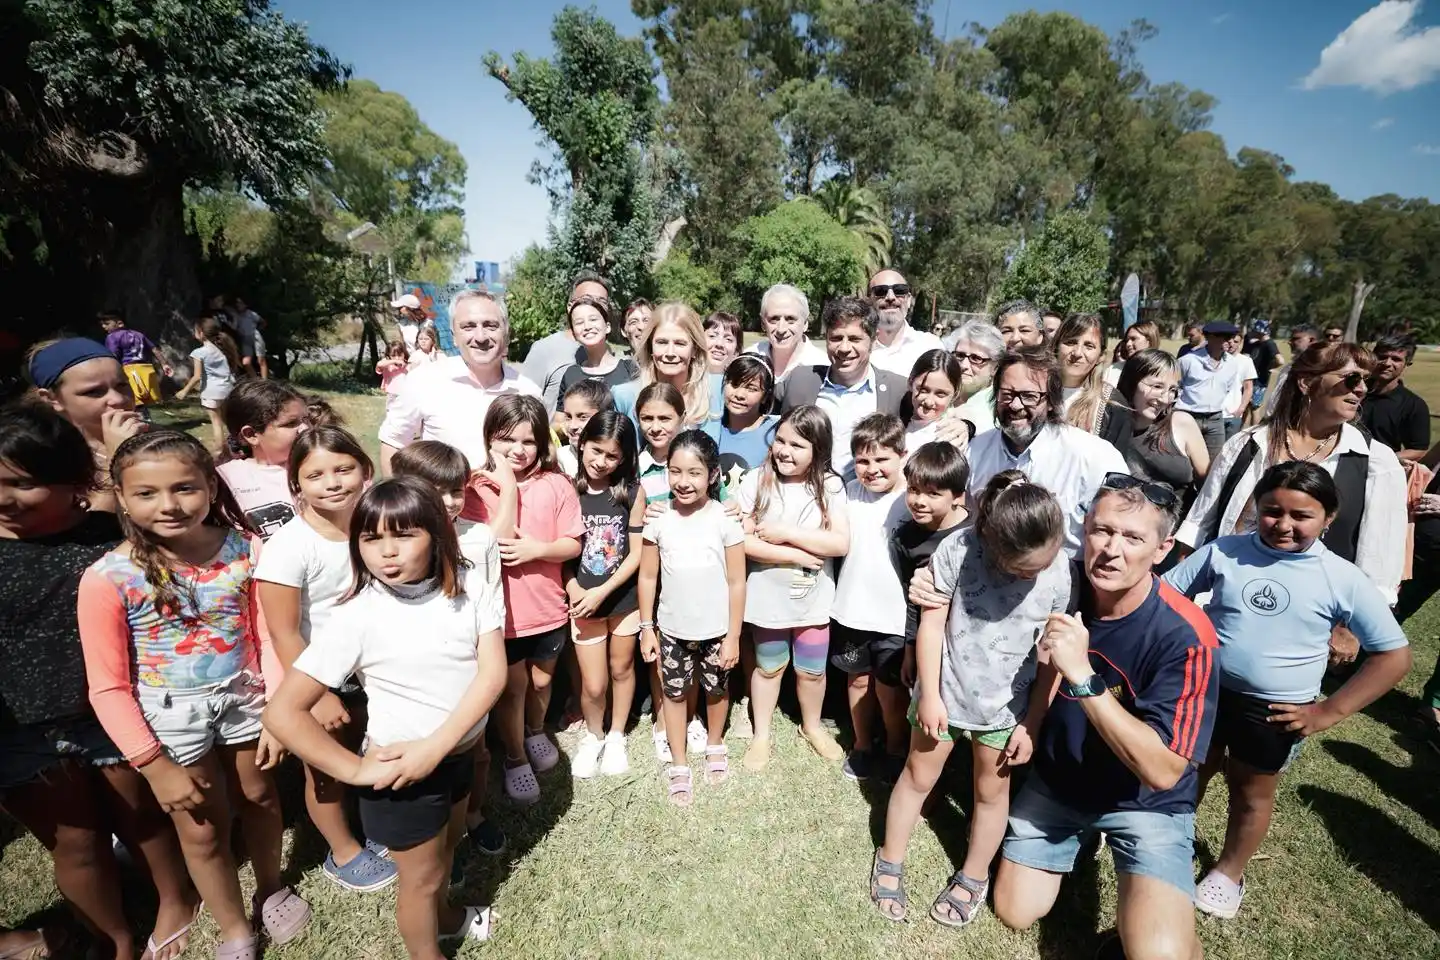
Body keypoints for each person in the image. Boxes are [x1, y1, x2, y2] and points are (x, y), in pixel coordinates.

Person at [78, 431, 307, 960]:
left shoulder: (247, 550)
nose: (169, 505)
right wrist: (153, 765)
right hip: (170, 719)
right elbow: (106, 686)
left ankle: (271, 886)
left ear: (210, 484)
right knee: (202, 829)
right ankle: (233, 929)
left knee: (262, 797)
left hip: (249, 699)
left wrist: (279, 710)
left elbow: (268, 633)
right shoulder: (108, 578)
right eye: (147, 493)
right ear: (120, 494)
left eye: (184, 487)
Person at [974, 477, 1218, 960]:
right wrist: (930, 589)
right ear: (1084, 529)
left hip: (1144, 802)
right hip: (1060, 781)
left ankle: (1150, 906)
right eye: (1102, 530)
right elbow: (982, 569)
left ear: (1164, 548)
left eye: (1133, 538)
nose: (1111, 550)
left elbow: (1165, 770)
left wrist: (1082, 675)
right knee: (1014, 911)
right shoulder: (1060, 582)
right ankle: (1082, 842)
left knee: (1160, 955)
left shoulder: (1187, 635)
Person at [262, 478, 506, 957]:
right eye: (371, 539)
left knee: (448, 846)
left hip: (452, 757)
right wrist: (354, 770)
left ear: (437, 534)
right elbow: (283, 713)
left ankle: (450, 918)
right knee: (422, 878)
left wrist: (438, 746)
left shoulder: (469, 582)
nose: (387, 553)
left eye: (405, 535)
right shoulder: (357, 616)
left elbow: (492, 674)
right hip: (402, 778)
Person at [1164, 462, 1410, 919]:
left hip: (1274, 711)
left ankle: (1228, 873)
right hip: (1208, 693)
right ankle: (1166, 844)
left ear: (1329, 518)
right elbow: (1166, 599)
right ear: (1257, 506)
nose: (1284, 524)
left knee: (1250, 792)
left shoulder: (1342, 577)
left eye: (1302, 515)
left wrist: (1327, 713)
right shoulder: (1225, 552)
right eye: (1272, 511)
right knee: (1186, 774)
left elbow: (1394, 656)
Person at [0, 404, 199, 960]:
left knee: (144, 822)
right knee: (75, 841)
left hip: (112, 713)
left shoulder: (112, 533)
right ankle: (110, 939)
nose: (4, 497)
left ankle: (175, 900)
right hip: (22, 732)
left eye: (24, 484)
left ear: (76, 484)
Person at [872, 471, 1072, 928]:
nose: (1036, 573)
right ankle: (890, 857)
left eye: (1045, 562)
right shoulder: (958, 550)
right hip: (943, 696)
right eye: (1025, 569)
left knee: (990, 794)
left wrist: (1033, 722)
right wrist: (929, 693)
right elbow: (931, 623)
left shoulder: (1059, 570)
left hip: (1007, 710)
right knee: (917, 777)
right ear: (991, 544)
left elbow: (1052, 656)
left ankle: (973, 875)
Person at [254, 428, 399, 894]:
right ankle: (343, 851)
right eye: (315, 475)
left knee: (375, 749)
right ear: (296, 484)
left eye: (343, 469)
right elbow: (283, 630)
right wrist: (317, 697)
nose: (332, 482)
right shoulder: (289, 547)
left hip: (378, 669)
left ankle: (378, 828)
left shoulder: (377, 526)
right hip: (322, 679)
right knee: (327, 769)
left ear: (366, 470)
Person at [1178, 342, 1407, 606]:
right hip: (1224, 600)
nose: (1362, 388)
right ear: (1307, 383)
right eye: (1352, 378)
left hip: (1315, 614)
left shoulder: (1376, 462)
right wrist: (1187, 595)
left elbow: (1380, 558)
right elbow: (1199, 525)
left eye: (1368, 380)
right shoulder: (1248, 444)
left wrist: (1350, 627)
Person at [388, 441, 509, 859]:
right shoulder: (391, 543)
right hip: (415, 676)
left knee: (475, 751)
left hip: (473, 669)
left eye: (456, 490)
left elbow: (494, 601)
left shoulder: (480, 538)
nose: (449, 501)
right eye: (435, 489)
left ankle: (471, 815)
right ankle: (431, 838)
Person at [470, 395, 583, 804]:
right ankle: (515, 756)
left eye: (528, 441)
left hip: (548, 608)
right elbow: (488, 542)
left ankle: (535, 730)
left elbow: (572, 544)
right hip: (502, 617)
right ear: (489, 438)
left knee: (542, 680)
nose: (518, 450)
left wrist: (538, 550)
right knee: (513, 688)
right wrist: (503, 483)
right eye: (506, 440)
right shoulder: (473, 487)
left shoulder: (556, 484)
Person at [735, 405, 850, 769]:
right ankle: (761, 734)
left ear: (818, 450)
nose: (784, 450)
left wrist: (787, 534)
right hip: (767, 600)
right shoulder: (756, 481)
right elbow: (738, 539)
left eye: (797, 445)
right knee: (769, 667)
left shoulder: (830, 486)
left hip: (814, 603)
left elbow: (839, 544)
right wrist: (793, 556)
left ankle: (812, 726)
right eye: (780, 440)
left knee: (812, 670)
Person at [637, 429, 746, 806]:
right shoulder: (659, 519)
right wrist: (646, 628)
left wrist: (733, 636)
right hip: (670, 629)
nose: (683, 482)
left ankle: (715, 742)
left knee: (716, 689)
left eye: (695, 472)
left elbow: (736, 582)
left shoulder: (725, 519)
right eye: (675, 471)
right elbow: (648, 575)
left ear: (713, 475)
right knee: (674, 692)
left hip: (717, 630)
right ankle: (679, 762)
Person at [965, 346, 1127, 557]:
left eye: (1029, 396)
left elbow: (1122, 528)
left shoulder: (1095, 459)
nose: (1015, 405)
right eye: (1007, 394)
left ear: (1051, 401)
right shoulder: (974, 452)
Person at [379, 290, 542, 483]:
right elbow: (393, 443)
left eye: (490, 325)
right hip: (443, 510)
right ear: (454, 336)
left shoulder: (528, 392)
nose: (480, 337)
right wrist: (402, 506)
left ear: (506, 333)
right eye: (468, 327)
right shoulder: (423, 381)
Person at [829, 414, 914, 782]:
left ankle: (896, 746)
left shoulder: (913, 499)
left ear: (903, 456)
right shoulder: (846, 493)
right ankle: (863, 744)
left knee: (892, 691)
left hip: (895, 617)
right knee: (858, 682)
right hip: (850, 611)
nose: (872, 469)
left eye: (882, 460)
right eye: (863, 460)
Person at [565, 411, 645, 778]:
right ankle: (593, 735)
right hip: (583, 601)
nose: (601, 462)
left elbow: (637, 553)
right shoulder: (568, 490)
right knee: (594, 682)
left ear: (625, 458)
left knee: (622, 668)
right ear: (582, 444)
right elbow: (563, 550)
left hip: (624, 600)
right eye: (596, 450)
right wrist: (576, 589)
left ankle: (616, 736)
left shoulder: (631, 492)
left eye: (612, 456)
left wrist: (605, 591)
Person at [775, 296, 908, 481]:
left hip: (865, 501)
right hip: (807, 498)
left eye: (854, 339)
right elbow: (751, 400)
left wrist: (963, 426)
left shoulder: (899, 390)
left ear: (874, 340)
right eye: (836, 338)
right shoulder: (800, 380)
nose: (844, 348)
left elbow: (932, 419)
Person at [26, 338, 147, 513]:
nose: (118, 399)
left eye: (122, 385)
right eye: (93, 392)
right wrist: (117, 459)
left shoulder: (162, 439)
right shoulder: (39, 455)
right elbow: (92, 530)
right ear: (52, 399)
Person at [1099, 350, 1210, 508]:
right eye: (1157, 386)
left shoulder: (1182, 424)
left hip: (1175, 527)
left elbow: (1208, 488)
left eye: (1172, 390)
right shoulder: (1107, 423)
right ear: (1132, 382)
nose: (1165, 399)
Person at [216, 379, 311, 539]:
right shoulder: (224, 481)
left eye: (305, 419)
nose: (305, 428)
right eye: (291, 423)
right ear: (251, 435)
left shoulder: (322, 465)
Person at [613, 302, 722, 431]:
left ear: (695, 350)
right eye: (662, 342)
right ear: (650, 346)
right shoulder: (625, 397)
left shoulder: (717, 391)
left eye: (680, 343)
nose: (670, 353)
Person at [524, 272, 612, 413]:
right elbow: (523, 405)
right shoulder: (544, 349)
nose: (594, 305)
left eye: (601, 302)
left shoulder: (607, 352)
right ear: (570, 306)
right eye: (587, 299)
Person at [702, 353, 779, 489]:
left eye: (751, 389)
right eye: (734, 384)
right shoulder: (710, 426)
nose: (739, 395)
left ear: (765, 396)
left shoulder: (775, 432)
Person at [1175, 320, 1245, 461]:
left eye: (1232, 338)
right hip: (1189, 417)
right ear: (1210, 337)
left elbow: (1227, 388)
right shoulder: (1188, 361)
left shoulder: (1232, 363)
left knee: (1214, 463)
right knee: (1185, 460)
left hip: (1215, 420)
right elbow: (1175, 386)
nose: (1230, 342)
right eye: (1225, 338)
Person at [1360, 333, 1430, 462]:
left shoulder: (1413, 405)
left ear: (1407, 363)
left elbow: (1419, 450)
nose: (1387, 363)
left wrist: (1381, 459)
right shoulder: (1354, 391)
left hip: (1378, 471)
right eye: (1382, 357)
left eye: (1396, 359)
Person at [175, 315, 241, 451]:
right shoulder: (222, 349)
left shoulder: (199, 352)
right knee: (226, 421)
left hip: (212, 391)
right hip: (228, 389)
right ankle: (235, 444)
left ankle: (220, 450)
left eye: (195, 330)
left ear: (201, 333)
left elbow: (197, 376)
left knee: (216, 423)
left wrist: (184, 391)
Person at [557, 295, 639, 401]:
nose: (587, 327)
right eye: (579, 323)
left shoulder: (629, 369)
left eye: (593, 319)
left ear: (608, 327)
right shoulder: (571, 375)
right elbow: (562, 417)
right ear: (573, 334)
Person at [867, 269, 944, 378]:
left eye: (899, 290)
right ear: (868, 301)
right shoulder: (854, 349)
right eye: (880, 291)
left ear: (908, 300)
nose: (890, 297)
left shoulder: (931, 347)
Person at [748, 284, 829, 383]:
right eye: (774, 319)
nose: (781, 329)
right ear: (763, 324)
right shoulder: (749, 358)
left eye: (790, 319)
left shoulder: (823, 366)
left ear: (805, 324)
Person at [99, 310, 172, 407]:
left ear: (120, 323)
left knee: (134, 402)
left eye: (107, 323)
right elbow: (154, 349)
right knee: (153, 403)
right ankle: (152, 420)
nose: (104, 327)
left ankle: (142, 420)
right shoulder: (139, 334)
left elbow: (113, 355)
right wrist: (164, 364)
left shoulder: (112, 337)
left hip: (130, 371)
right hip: (147, 370)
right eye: (102, 324)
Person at [945, 319, 1005, 436]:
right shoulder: (938, 395)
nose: (964, 365)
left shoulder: (1000, 412)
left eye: (976, 358)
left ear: (996, 367)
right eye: (960, 355)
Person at [1053, 313, 1110, 434]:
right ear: (1056, 346)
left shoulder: (1109, 406)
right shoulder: (1036, 390)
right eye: (1070, 342)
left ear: (1101, 356)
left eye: (1089, 346)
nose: (1077, 353)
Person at [636, 383, 686, 511]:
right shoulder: (637, 469)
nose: (655, 428)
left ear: (682, 418)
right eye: (647, 418)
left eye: (664, 419)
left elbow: (723, 500)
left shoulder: (701, 458)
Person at [902, 349, 962, 450]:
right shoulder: (897, 426)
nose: (929, 402)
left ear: (955, 395)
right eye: (923, 390)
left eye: (940, 394)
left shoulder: (951, 437)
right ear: (910, 383)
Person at [556, 379, 615, 477]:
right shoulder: (559, 459)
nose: (572, 426)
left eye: (583, 417)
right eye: (568, 417)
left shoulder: (616, 459)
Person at [1260, 325, 1318, 419]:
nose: (1290, 342)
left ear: (1311, 340)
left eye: (1296, 339)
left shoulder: (1316, 370)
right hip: (1271, 420)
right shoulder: (1288, 367)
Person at [1241, 319, 1280, 424]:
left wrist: (1268, 367)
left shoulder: (1269, 343)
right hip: (1249, 379)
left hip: (1260, 381)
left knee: (1255, 409)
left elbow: (1280, 360)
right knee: (1245, 407)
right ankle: (1241, 432)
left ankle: (1253, 434)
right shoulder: (1253, 341)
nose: (1252, 332)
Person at [1221, 332, 1256, 440]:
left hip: (1233, 414)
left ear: (1240, 343)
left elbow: (1248, 388)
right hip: (1215, 414)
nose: (1231, 344)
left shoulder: (1246, 361)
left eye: (1236, 342)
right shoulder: (1216, 358)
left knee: (1229, 450)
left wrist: (1241, 409)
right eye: (1229, 341)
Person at [1104, 321, 1159, 387]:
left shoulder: (1161, 372)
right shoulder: (1113, 370)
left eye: (1133, 339)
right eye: (1127, 340)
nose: (1128, 344)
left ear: (1149, 341)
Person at [232, 296, 269, 379]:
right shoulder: (236, 315)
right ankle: (255, 380)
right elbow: (234, 328)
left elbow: (263, 322)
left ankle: (265, 382)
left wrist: (258, 329)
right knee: (246, 363)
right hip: (245, 340)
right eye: (237, 303)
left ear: (245, 304)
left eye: (240, 303)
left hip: (255, 337)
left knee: (261, 360)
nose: (238, 305)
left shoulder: (251, 313)